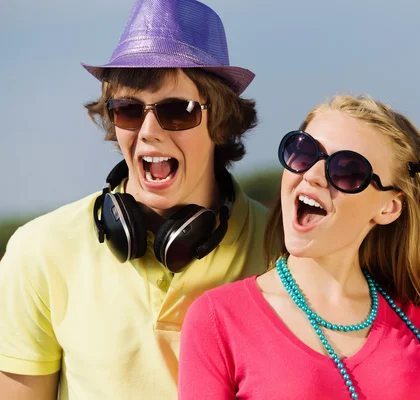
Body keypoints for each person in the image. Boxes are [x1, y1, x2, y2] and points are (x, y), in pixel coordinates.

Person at [179, 95, 420, 399]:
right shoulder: (218, 319)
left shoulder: (417, 328)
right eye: (304, 152)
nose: (312, 174)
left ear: (388, 208)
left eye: (347, 170)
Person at [0, 1, 268, 399]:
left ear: (222, 121)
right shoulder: (39, 250)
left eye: (177, 111)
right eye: (127, 110)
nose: (148, 132)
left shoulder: (283, 251)